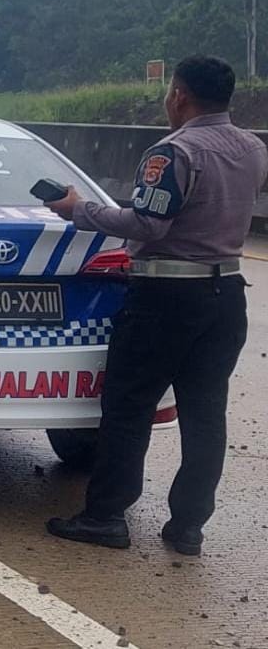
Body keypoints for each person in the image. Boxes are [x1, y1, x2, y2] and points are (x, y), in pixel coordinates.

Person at [45, 55, 267, 556]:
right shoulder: (253, 148)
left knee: (128, 406)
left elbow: (148, 225)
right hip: (227, 295)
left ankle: (105, 516)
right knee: (206, 412)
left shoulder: (172, 153)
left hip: (165, 296)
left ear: (179, 95)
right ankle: (188, 526)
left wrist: (79, 209)